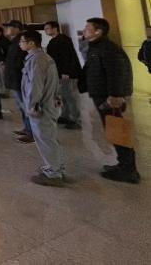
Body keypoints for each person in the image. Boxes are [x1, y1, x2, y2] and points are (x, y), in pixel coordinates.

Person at [80, 17, 140, 184]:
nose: (84, 30)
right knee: (113, 130)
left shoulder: (108, 48)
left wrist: (115, 95)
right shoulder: (96, 47)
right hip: (101, 94)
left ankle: (128, 170)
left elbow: (117, 73)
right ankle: (123, 164)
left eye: (88, 28)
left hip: (108, 97)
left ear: (98, 31)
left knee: (118, 131)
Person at [20, 30, 66, 187]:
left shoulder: (37, 60)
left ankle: (53, 173)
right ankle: (56, 167)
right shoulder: (43, 57)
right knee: (50, 139)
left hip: (42, 107)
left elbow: (35, 84)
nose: (20, 44)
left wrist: (32, 105)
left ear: (31, 43)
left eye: (22, 41)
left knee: (45, 140)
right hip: (49, 103)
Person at [44, 21, 83, 130]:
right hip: (58, 73)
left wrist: (66, 72)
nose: (46, 31)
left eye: (47, 28)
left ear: (55, 28)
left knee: (70, 96)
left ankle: (76, 120)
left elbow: (67, 57)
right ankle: (65, 116)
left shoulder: (63, 40)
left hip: (66, 73)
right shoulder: (54, 41)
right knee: (63, 95)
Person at [2, 20, 34, 143]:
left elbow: (22, 62)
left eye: (9, 27)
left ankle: (32, 133)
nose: (7, 29)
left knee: (26, 107)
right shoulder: (14, 42)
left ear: (16, 28)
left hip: (19, 80)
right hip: (14, 80)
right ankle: (27, 128)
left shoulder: (22, 41)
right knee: (22, 107)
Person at [0, 26, 11, 98]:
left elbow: (8, 52)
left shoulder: (4, 41)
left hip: (3, 63)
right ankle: (2, 91)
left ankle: (6, 93)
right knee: (0, 78)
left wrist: (4, 60)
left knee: (4, 78)